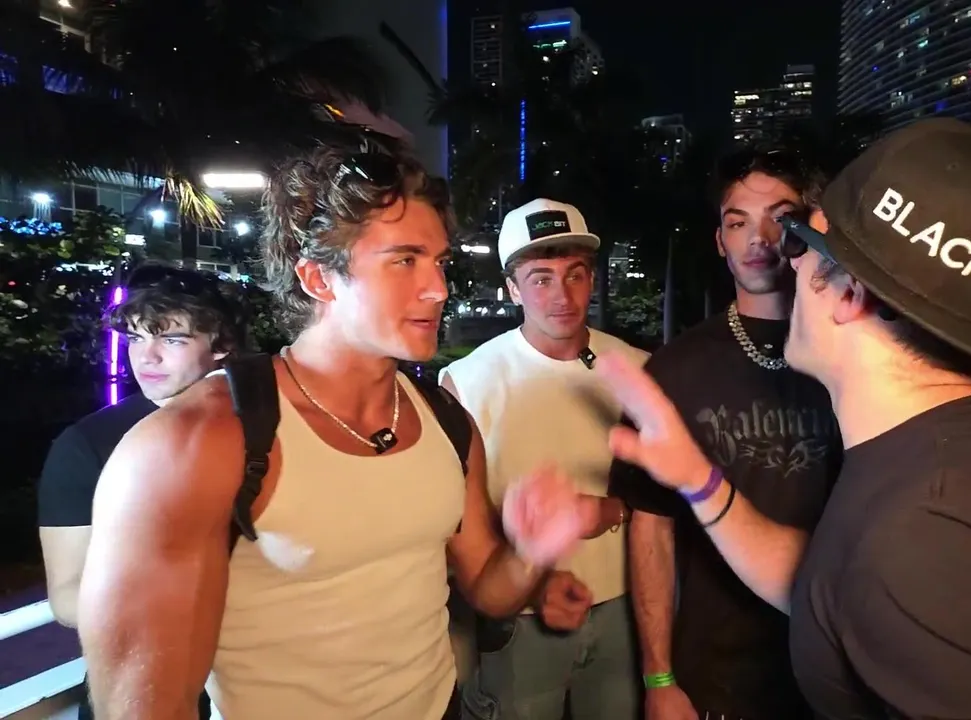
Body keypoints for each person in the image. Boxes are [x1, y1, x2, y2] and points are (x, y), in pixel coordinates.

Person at [596, 118, 971, 719]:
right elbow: (830, 584)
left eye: (802, 243)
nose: (785, 259)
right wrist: (700, 481)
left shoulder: (927, 524)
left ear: (850, 295)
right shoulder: (958, 448)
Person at [77, 144, 597, 720]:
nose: (438, 288)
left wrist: (530, 550)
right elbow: (144, 703)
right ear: (318, 278)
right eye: (405, 261)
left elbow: (489, 588)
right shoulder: (197, 441)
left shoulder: (445, 420)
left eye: (439, 262)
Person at [608, 146, 840, 720]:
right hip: (718, 678)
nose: (759, 238)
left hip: (837, 664)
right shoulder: (674, 370)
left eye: (780, 218)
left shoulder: (855, 358)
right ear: (719, 241)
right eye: (738, 223)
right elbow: (652, 530)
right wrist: (659, 677)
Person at [440, 198, 649, 720]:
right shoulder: (465, 381)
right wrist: (534, 578)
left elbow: (668, 496)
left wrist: (610, 510)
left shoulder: (637, 369)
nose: (562, 295)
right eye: (540, 279)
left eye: (575, 275)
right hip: (517, 618)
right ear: (512, 288)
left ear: (592, 279)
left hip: (627, 607)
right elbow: (459, 524)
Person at [38, 263, 246, 720]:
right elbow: (67, 597)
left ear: (222, 345)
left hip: (264, 676)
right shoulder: (88, 444)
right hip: (144, 684)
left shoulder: (265, 423)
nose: (145, 357)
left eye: (172, 340)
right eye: (135, 338)